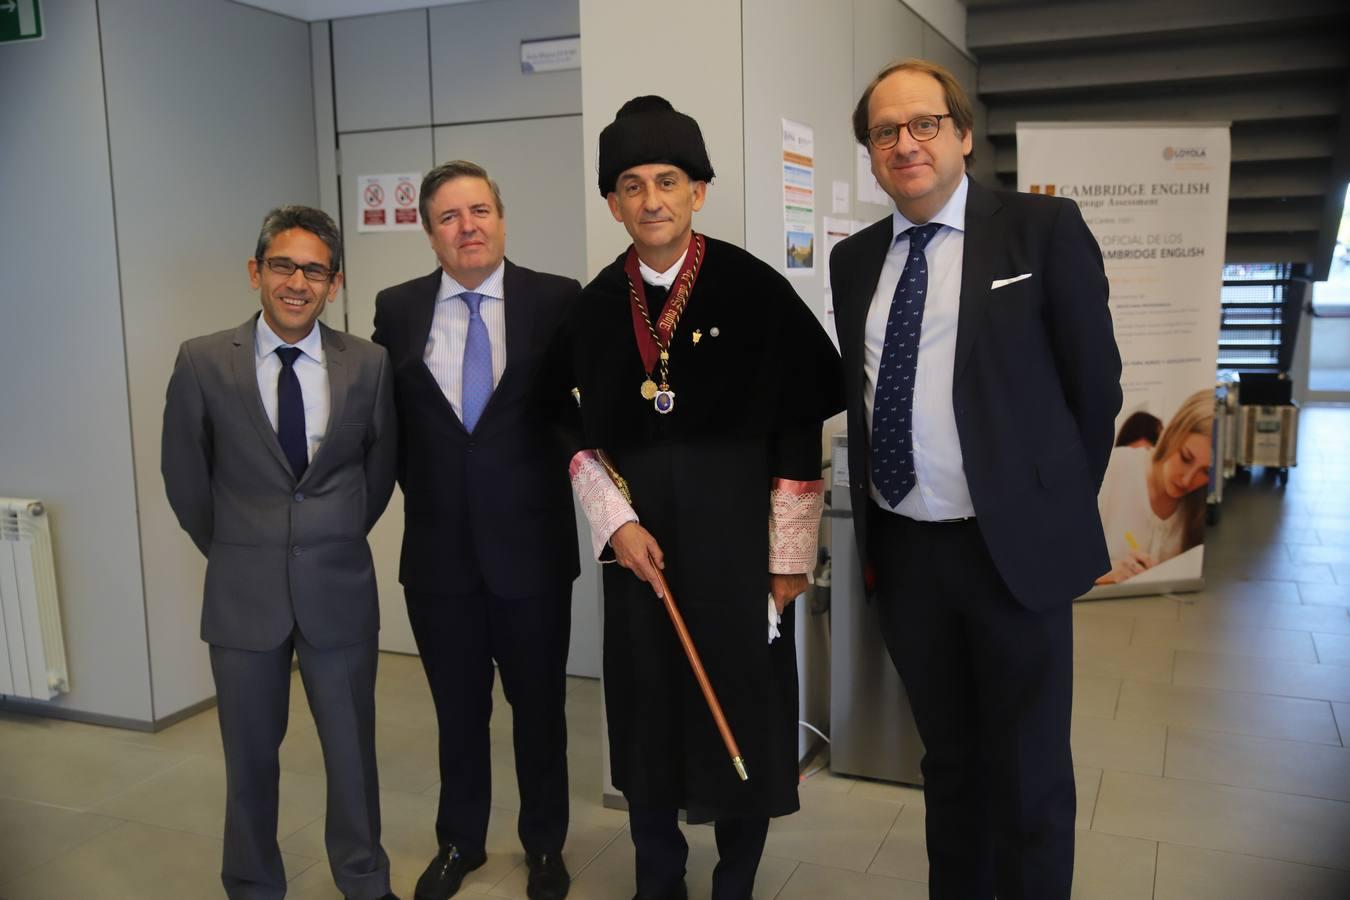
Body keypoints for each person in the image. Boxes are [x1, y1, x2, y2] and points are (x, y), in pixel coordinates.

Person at [829, 60, 1123, 899]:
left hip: (1009, 555)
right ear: (873, 155)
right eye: (885, 132)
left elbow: (1094, 387)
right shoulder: (856, 261)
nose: (904, 143)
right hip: (909, 557)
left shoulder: (1041, 230)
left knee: (1029, 774)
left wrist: (1043, 508)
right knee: (948, 765)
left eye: (923, 123)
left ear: (962, 134)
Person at [561, 96, 842, 900]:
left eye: (669, 181)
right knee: (647, 717)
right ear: (612, 202)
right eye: (632, 185)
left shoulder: (753, 290)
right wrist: (615, 525)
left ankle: (735, 882)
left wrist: (789, 560)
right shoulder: (592, 308)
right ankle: (659, 878)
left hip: (737, 550)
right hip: (640, 552)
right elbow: (564, 428)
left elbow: (797, 423)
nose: (651, 200)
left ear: (699, 192)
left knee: (739, 714)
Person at [161, 206, 399, 900]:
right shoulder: (203, 360)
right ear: (255, 272)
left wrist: (329, 535)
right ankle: (253, 883)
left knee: (353, 757)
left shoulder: (370, 364)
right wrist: (240, 547)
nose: (298, 282)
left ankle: (364, 880)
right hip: (243, 593)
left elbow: (377, 475)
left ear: (335, 283)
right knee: (249, 760)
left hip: (340, 589)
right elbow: (186, 479)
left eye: (314, 270)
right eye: (283, 266)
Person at [371, 161, 580, 900]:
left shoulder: (555, 300)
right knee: (457, 713)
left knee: (540, 711)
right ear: (430, 232)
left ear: (501, 217)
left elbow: (580, 420)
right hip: (438, 558)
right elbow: (386, 425)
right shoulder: (396, 309)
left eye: (481, 209)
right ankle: (461, 841)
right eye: (451, 216)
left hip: (533, 552)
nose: (469, 226)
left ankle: (545, 846)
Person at [1096, 390, 1212, 583]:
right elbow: (1060, 558)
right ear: (1171, 433)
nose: (1187, 480)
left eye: (1205, 472)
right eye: (1185, 458)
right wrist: (1107, 572)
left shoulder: (1203, 506)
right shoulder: (1112, 468)